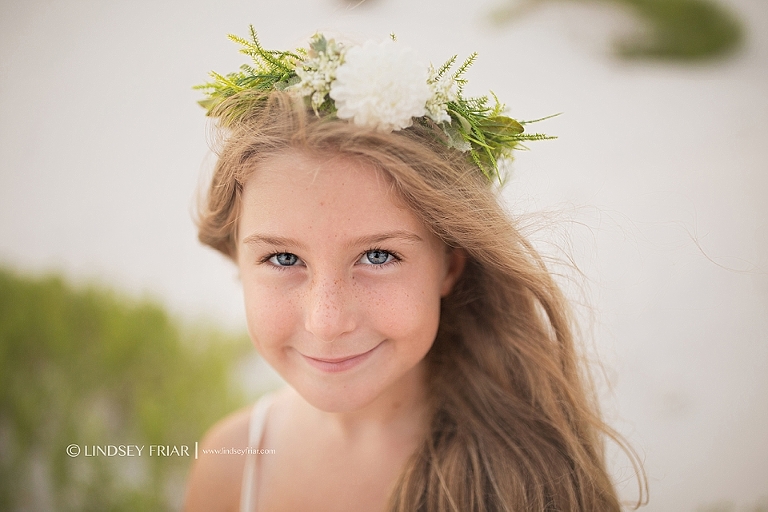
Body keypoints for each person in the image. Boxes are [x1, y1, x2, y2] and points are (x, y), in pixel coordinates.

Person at [183, 29, 644, 512]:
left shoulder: (529, 479)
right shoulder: (229, 467)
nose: (326, 320)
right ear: (237, 257)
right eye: (284, 259)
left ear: (450, 266)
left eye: (378, 256)